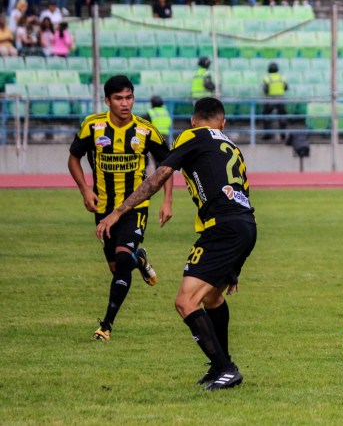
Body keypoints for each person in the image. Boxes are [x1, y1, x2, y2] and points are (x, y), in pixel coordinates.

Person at [95, 97, 257, 391]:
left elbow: (159, 176)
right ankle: (220, 365)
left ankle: (225, 368)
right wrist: (233, 267)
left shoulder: (193, 135)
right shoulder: (231, 145)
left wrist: (118, 212)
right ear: (223, 123)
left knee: (185, 301)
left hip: (221, 229)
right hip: (245, 226)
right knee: (211, 299)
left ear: (194, 121)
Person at [67, 75, 174, 341]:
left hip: (136, 206)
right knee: (118, 268)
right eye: (118, 98)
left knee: (123, 260)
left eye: (129, 98)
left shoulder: (146, 130)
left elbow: (167, 165)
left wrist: (167, 201)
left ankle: (106, 325)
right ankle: (140, 260)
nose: (125, 104)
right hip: (103, 207)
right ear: (107, 100)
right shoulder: (93, 127)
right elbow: (73, 158)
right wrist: (85, 190)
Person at [261, 61, 288, 141]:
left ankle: (268, 134)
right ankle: (283, 135)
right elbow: (286, 88)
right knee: (282, 116)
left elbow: (265, 90)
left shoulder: (267, 78)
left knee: (266, 115)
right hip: (280, 99)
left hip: (270, 99)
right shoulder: (282, 77)